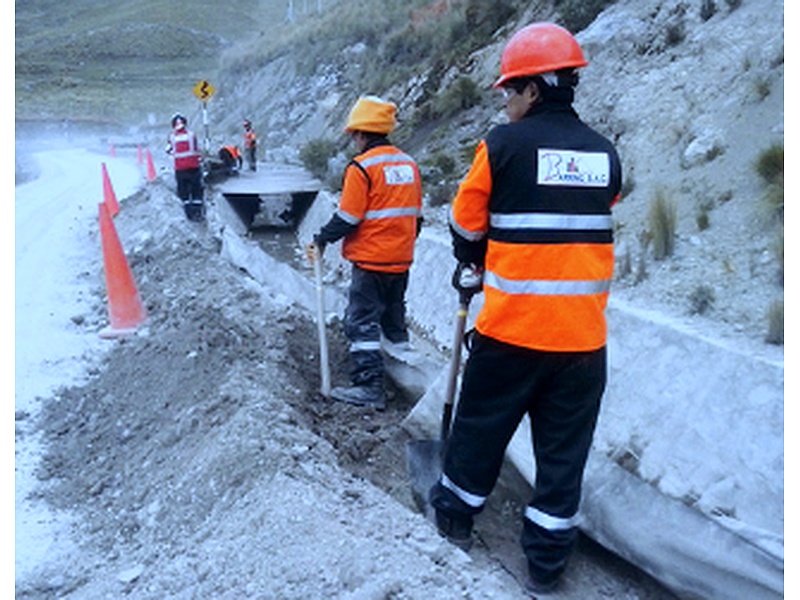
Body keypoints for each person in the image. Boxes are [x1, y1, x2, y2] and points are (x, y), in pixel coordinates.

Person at [428, 22, 622, 596]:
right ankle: (545, 567)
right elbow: (590, 209)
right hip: (583, 345)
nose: (506, 104)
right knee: (562, 460)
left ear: (533, 90)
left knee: (479, 433)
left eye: (510, 92)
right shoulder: (605, 154)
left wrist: (473, 256)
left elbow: (465, 223)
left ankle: (454, 523)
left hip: (512, 334)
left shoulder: (502, 146)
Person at [307, 95, 423, 410]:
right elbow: (417, 218)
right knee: (394, 321)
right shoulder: (408, 164)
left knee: (362, 323)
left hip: (371, 262)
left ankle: (370, 386)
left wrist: (321, 239)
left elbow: (348, 217)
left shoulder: (362, 167)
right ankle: (405, 381)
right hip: (401, 261)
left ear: (360, 133)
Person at [166, 114, 205, 221]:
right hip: (194, 168)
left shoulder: (172, 137)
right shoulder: (192, 135)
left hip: (180, 170)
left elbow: (168, 150)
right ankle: (198, 213)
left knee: (184, 192)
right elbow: (197, 149)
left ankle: (188, 213)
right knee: (196, 190)